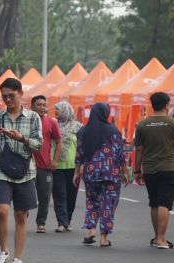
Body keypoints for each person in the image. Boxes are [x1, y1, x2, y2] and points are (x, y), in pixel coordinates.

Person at [0, 78, 42, 263]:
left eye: (11, 95)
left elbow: (39, 144)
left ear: (21, 93)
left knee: (20, 214)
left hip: (26, 170)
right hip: (2, 168)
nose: (8, 99)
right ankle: (3, 252)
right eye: (4, 97)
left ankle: (18, 259)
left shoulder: (33, 117)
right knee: (2, 210)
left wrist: (21, 138)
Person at [134, 92, 174, 250]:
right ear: (166, 105)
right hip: (170, 168)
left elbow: (139, 149)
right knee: (164, 203)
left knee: (154, 203)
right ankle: (161, 239)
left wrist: (136, 171)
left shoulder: (142, 124)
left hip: (150, 169)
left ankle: (156, 237)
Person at [74, 103, 128, 247]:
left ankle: (91, 230)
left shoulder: (84, 131)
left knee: (91, 201)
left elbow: (79, 154)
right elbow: (120, 153)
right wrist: (126, 171)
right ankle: (103, 238)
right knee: (108, 204)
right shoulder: (113, 131)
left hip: (90, 173)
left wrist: (76, 172)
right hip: (111, 173)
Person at [30, 95, 62, 233]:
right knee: (24, 195)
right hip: (27, 166)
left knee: (44, 196)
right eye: (39, 105)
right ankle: (22, 216)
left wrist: (55, 160)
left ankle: (41, 223)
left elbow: (59, 142)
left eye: (44, 105)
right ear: (32, 106)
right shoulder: (26, 122)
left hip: (45, 167)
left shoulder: (51, 122)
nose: (42, 107)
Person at [51, 101, 83, 232]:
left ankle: (67, 221)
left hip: (73, 167)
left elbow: (82, 147)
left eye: (58, 109)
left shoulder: (78, 127)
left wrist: (81, 165)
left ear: (65, 110)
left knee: (71, 196)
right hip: (56, 166)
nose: (55, 112)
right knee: (59, 195)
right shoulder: (53, 125)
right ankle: (61, 222)